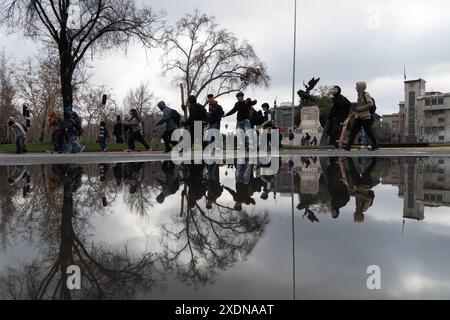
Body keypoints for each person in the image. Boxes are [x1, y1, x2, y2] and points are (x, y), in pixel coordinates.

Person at [343, 81, 378, 151]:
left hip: (365, 117)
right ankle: (348, 147)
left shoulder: (366, 94)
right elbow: (360, 106)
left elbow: (370, 104)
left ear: (361, 87)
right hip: (358, 117)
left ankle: (375, 145)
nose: (356, 88)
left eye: (357, 86)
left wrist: (361, 108)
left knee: (369, 132)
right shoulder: (359, 95)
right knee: (353, 131)